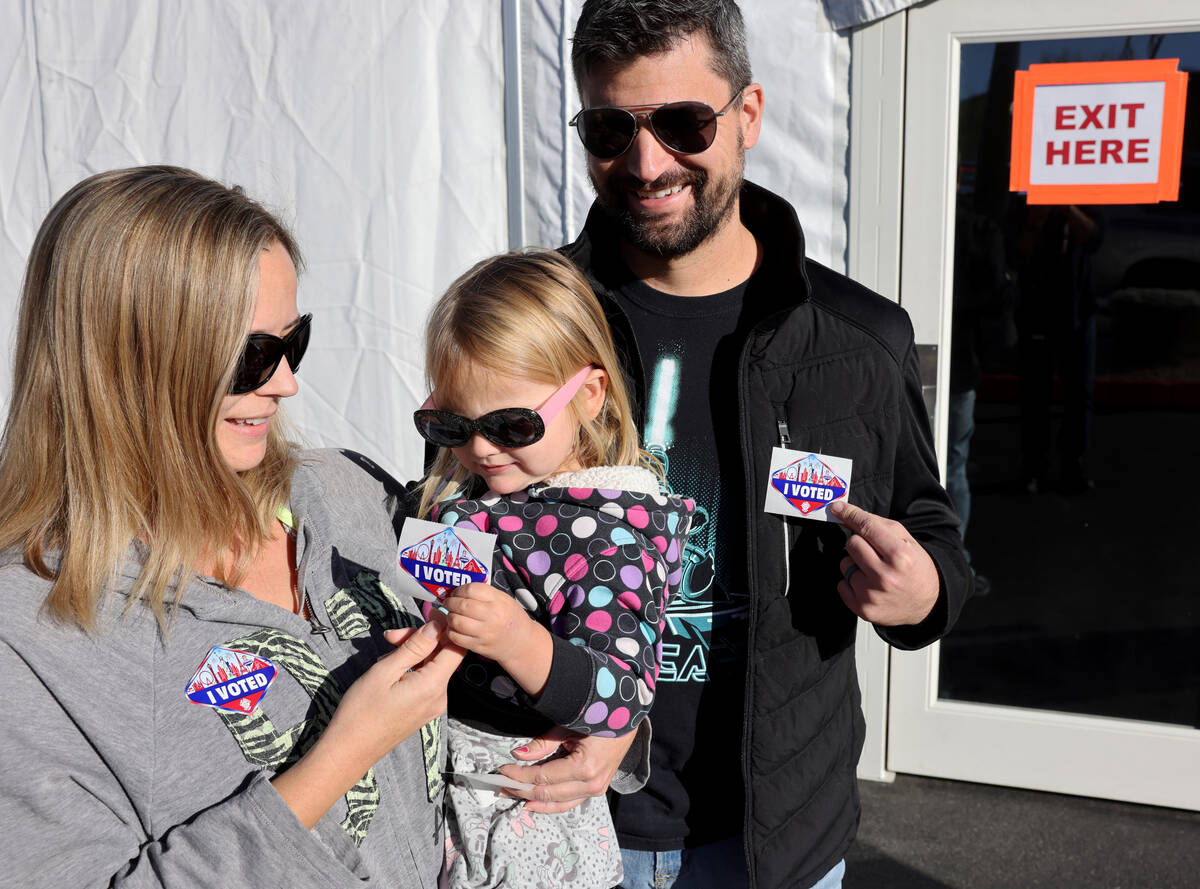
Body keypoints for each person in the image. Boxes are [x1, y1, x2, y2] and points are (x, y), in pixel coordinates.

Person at [560, 3, 973, 888]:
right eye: (609, 128)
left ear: (747, 115)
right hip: (566, 824)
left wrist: (924, 587)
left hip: (775, 841)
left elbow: (928, 522)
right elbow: (458, 515)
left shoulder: (858, 337)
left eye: (682, 123)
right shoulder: (534, 325)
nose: (645, 162)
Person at [0, 165, 465, 887]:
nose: (286, 382)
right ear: (133, 364)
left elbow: (510, 578)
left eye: (294, 340)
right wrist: (339, 757)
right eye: (252, 355)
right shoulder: (33, 635)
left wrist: (597, 708)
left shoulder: (342, 490)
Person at [410, 250, 694, 888]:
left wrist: (517, 639)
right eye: (451, 422)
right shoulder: (476, 482)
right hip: (441, 788)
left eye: (511, 424)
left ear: (589, 395)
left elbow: (618, 697)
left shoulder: (609, 530)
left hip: (525, 809)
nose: (481, 447)